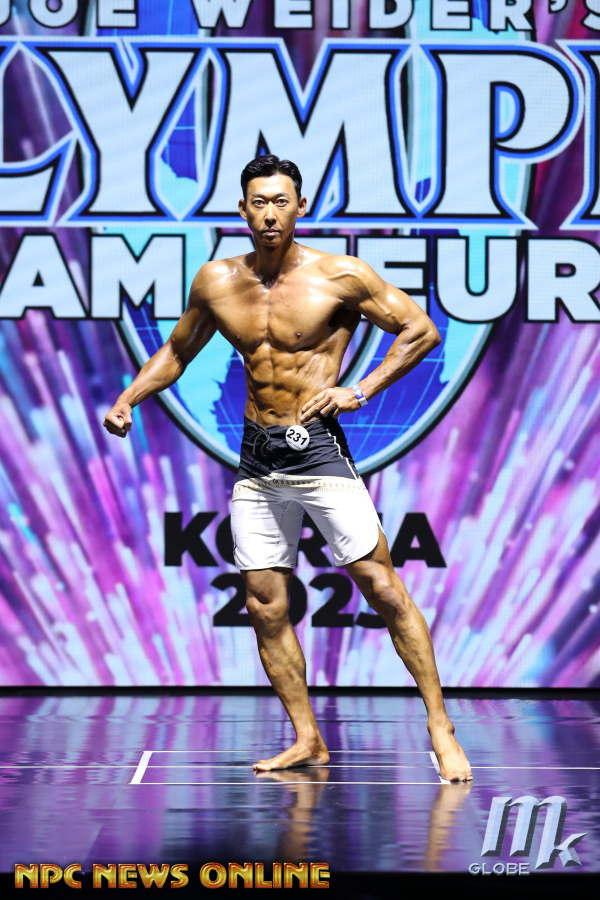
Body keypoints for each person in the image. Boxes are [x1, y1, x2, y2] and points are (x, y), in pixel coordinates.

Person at [103, 154, 473, 782]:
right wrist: (128, 398)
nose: (270, 213)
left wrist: (360, 389)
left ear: (300, 207)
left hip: (319, 449)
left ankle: (440, 726)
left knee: (382, 587)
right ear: (242, 210)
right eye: (259, 202)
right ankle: (307, 739)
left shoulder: (340, 275)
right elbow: (177, 350)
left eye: (281, 201)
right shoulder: (218, 281)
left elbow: (420, 331)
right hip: (258, 456)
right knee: (264, 603)